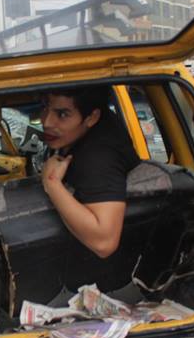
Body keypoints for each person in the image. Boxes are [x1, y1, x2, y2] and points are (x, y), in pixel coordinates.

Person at [39, 86, 139, 288]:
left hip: (108, 280)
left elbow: (105, 242)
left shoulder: (98, 158)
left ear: (92, 117)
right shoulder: (83, 133)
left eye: (62, 114)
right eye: (45, 109)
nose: (46, 122)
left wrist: (51, 183)